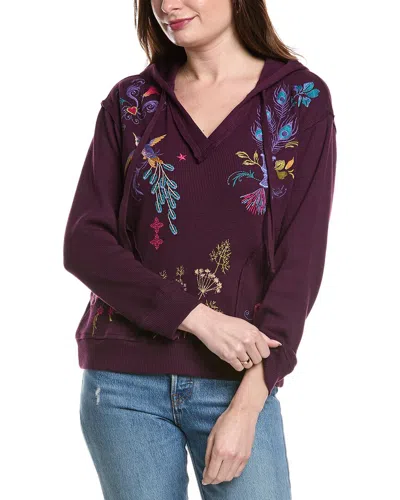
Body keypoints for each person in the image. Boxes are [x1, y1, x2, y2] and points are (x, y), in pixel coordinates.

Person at [63, 0, 336, 498]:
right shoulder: (132, 104)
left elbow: (300, 262)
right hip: (122, 385)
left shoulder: (299, 101)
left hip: (236, 381)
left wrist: (249, 404)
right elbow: (84, 242)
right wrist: (200, 319)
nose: (167, 6)